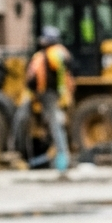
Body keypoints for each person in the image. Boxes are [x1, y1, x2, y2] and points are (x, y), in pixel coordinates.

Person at [25, 25, 74, 172]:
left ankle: (62, 157)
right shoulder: (61, 52)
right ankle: (60, 155)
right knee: (56, 123)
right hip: (58, 93)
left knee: (54, 125)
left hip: (46, 94)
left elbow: (32, 77)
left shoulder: (44, 56)